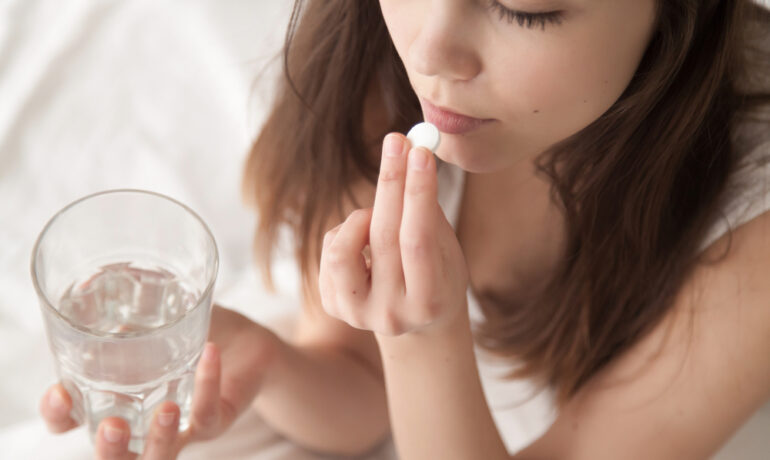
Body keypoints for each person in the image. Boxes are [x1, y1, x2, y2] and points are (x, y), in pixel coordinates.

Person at [39, 0, 770, 459]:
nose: (431, 53)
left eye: (525, 8)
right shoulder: (379, 60)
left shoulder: (754, 228)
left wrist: (426, 342)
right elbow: (362, 390)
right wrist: (267, 360)